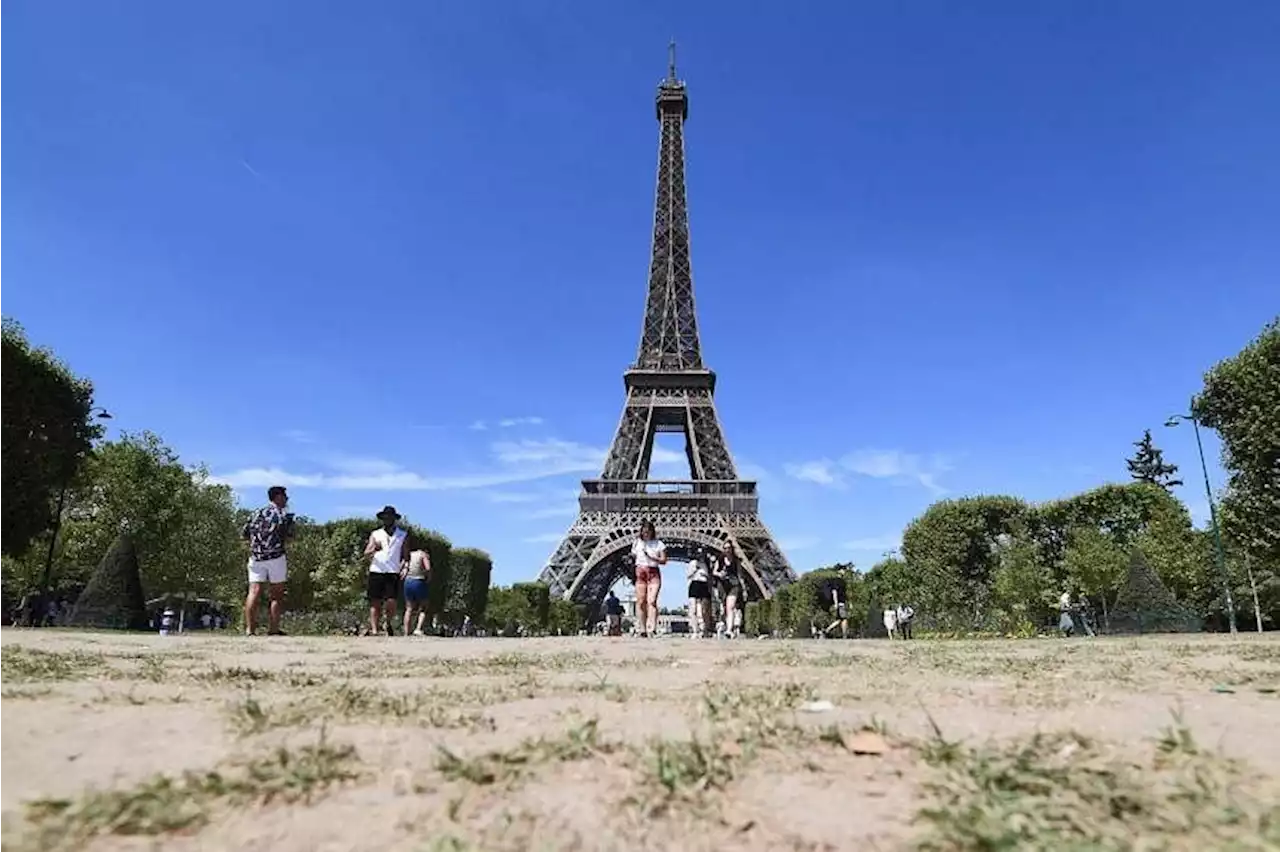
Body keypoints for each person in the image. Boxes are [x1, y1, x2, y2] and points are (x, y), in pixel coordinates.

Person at [241, 485, 295, 636]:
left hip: (256, 557)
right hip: (276, 556)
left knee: (253, 591)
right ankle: (273, 629)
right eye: (285, 496)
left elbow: (245, 534)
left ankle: (250, 629)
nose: (286, 499)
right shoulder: (283, 515)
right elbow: (290, 537)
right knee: (276, 595)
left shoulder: (255, 513)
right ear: (278, 497)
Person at [365, 506, 409, 636]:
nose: (387, 519)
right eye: (385, 517)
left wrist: (405, 567)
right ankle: (374, 629)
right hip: (377, 570)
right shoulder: (376, 534)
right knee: (375, 601)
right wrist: (374, 550)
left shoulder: (402, 535)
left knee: (392, 601)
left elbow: (406, 555)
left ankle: (387, 622)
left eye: (389, 517)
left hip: (393, 571)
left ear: (394, 519)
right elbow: (366, 552)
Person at [631, 521, 667, 638]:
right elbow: (634, 556)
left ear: (652, 532)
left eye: (648, 532)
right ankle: (642, 629)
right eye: (644, 532)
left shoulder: (659, 544)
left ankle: (652, 628)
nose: (646, 534)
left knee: (652, 601)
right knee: (641, 601)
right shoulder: (637, 542)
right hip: (640, 572)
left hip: (653, 572)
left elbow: (664, 560)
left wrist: (652, 557)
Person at [712, 544, 743, 639]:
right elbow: (714, 572)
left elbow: (740, 575)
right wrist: (719, 574)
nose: (727, 549)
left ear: (732, 548)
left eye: (729, 547)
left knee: (730, 607)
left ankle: (729, 630)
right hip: (722, 585)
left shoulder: (736, 561)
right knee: (725, 608)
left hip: (734, 585)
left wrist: (744, 588)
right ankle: (727, 626)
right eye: (725, 548)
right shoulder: (720, 560)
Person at [400, 539, 431, 636]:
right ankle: (418, 629)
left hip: (408, 581)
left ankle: (406, 631)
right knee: (424, 607)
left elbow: (401, 567)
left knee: (409, 608)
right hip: (419, 581)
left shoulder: (409, 555)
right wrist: (429, 577)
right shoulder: (423, 555)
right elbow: (428, 568)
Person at [686, 553, 713, 638]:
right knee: (693, 608)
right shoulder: (692, 563)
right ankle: (695, 630)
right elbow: (688, 576)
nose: (700, 556)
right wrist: (695, 571)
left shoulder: (708, 564)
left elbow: (711, 577)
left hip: (704, 585)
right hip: (694, 584)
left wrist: (706, 575)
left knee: (704, 609)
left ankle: (704, 629)